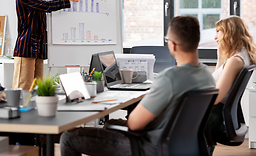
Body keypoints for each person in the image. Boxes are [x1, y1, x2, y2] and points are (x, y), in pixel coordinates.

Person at [60, 16, 216, 156]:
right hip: (181, 145)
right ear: (197, 41)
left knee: (68, 137)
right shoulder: (206, 76)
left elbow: (134, 124)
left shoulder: (170, 78)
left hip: (150, 147)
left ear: (173, 45)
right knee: (110, 124)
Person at [12, 0, 82, 90]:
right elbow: (47, 6)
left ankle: (34, 110)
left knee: (37, 89)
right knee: (23, 90)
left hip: (37, 50)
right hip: (25, 49)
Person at [208, 16, 256, 151]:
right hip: (213, 112)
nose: (215, 36)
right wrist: (220, 58)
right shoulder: (242, 55)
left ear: (230, 32)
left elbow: (216, 97)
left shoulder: (235, 60)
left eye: (218, 31)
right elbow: (218, 81)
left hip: (211, 113)